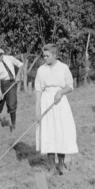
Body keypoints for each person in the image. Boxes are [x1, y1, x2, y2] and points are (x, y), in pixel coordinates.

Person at [34, 44, 78, 176]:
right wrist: (37, 109)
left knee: (61, 132)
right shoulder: (41, 70)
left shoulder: (63, 68)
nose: (45, 58)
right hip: (46, 102)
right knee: (49, 133)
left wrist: (60, 92)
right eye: (44, 55)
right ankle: (52, 167)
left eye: (47, 56)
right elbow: (38, 90)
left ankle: (61, 165)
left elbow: (70, 86)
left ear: (55, 55)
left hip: (60, 103)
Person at [0, 47, 23, 132]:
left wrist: (18, 75)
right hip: (1, 84)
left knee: (12, 104)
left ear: (1, 55)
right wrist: (0, 92)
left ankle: (13, 125)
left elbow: (21, 65)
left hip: (11, 83)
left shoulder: (10, 58)